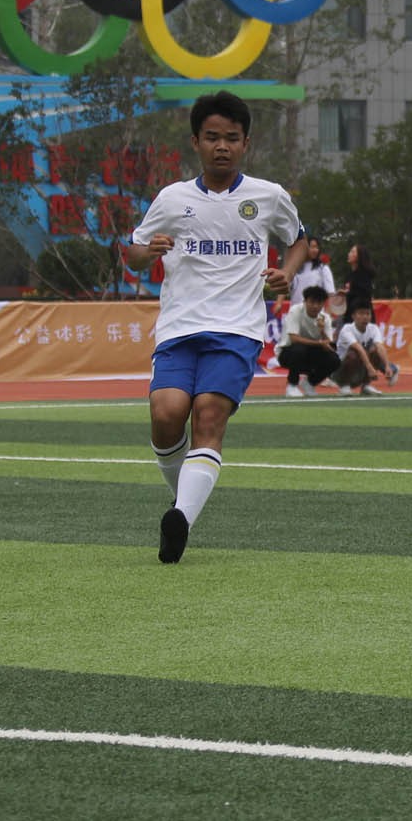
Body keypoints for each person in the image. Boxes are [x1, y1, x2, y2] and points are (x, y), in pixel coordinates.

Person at [121, 91, 304, 564]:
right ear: (196, 143)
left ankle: (180, 520)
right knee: (166, 415)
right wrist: (150, 250)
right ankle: (182, 504)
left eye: (231, 138)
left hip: (237, 330)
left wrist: (288, 271)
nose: (222, 146)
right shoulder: (171, 199)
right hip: (178, 328)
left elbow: (300, 240)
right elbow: (134, 253)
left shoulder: (268, 196)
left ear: (246, 144)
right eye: (212, 138)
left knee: (206, 415)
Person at [279, 286, 340, 396]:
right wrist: (319, 343)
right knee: (298, 349)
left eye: (319, 303)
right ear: (305, 301)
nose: (315, 306)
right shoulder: (296, 311)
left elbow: (329, 344)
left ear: (323, 304)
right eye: (312, 302)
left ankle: (309, 383)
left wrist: (321, 331)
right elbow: (294, 338)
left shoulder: (325, 318)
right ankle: (292, 385)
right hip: (287, 354)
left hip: (311, 355)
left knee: (334, 360)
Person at [336, 303, 398, 394]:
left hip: (359, 370)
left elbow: (380, 346)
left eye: (368, 314)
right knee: (353, 354)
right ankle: (344, 386)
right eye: (361, 313)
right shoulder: (347, 329)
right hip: (340, 371)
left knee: (375, 350)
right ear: (353, 316)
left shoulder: (373, 328)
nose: (365, 317)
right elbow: (358, 348)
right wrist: (369, 368)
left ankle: (366, 385)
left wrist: (387, 366)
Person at [291, 238, 335, 312]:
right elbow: (286, 287)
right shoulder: (295, 268)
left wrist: (328, 313)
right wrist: (279, 303)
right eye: (312, 247)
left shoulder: (323, 269)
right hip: (296, 312)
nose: (315, 250)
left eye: (316, 247)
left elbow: (330, 293)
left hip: (315, 314)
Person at [341, 243, 376, 313]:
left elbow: (364, 295)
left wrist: (347, 293)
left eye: (352, 252)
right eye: (350, 251)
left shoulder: (364, 275)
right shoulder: (349, 276)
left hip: (362, 314)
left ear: (360, 256)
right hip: (349, 314)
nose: (349, 254)